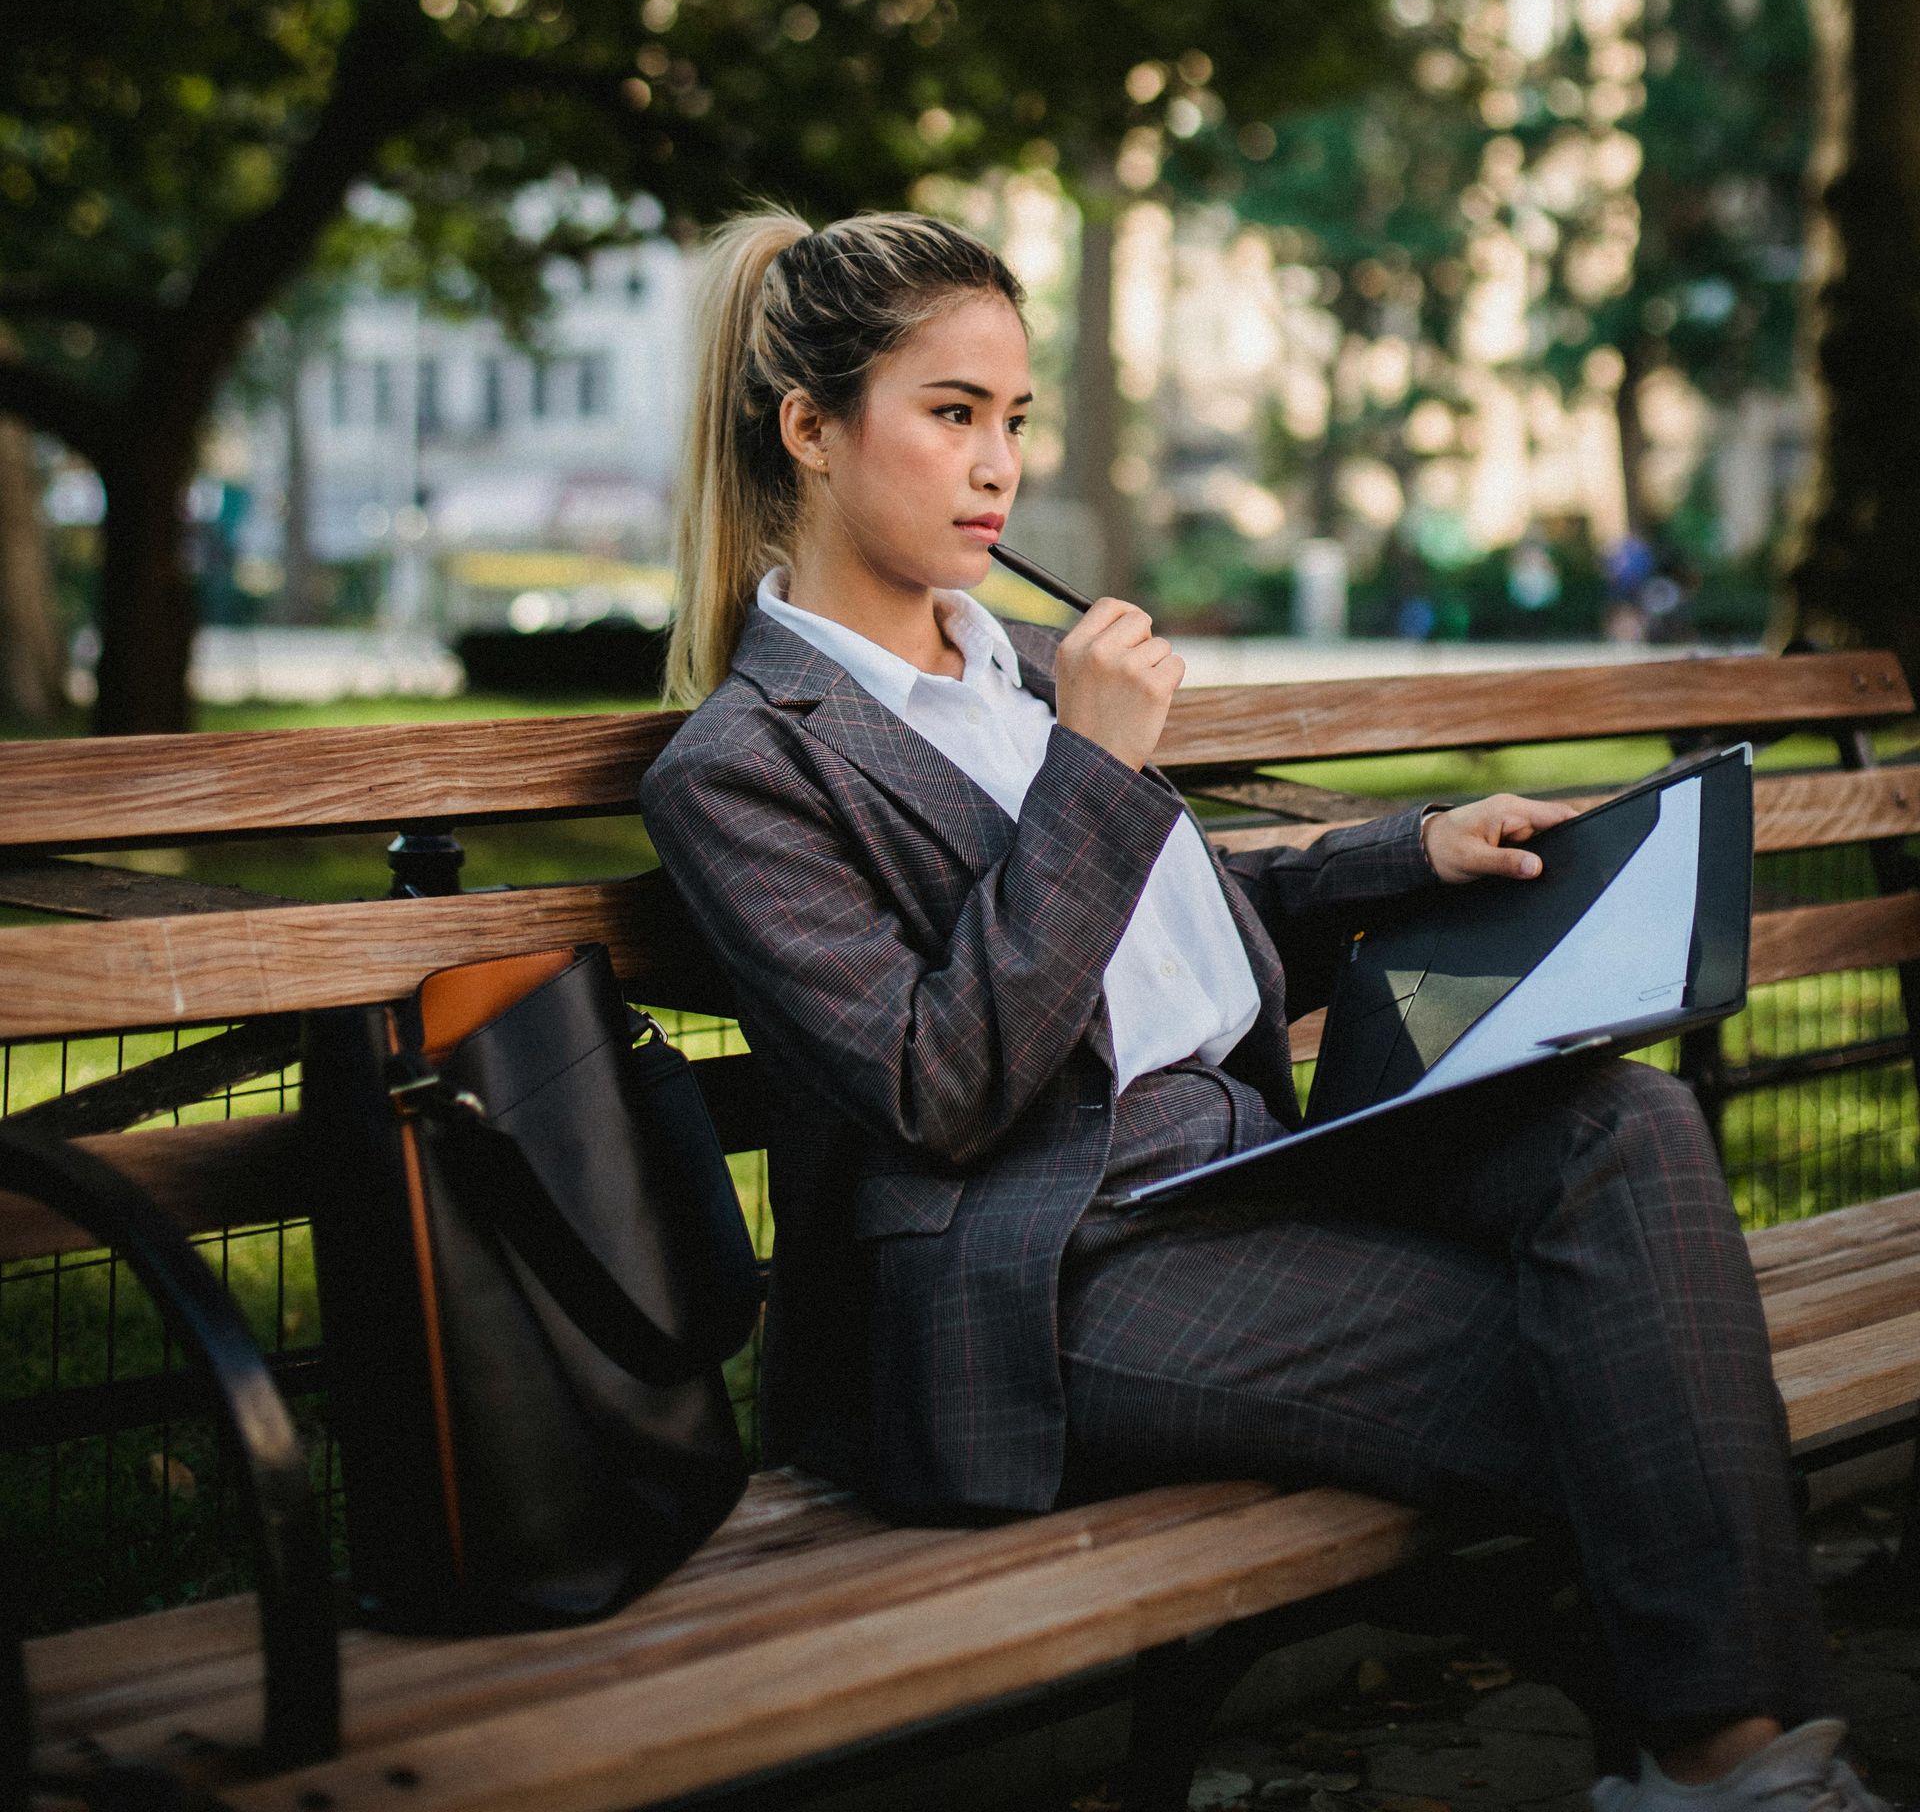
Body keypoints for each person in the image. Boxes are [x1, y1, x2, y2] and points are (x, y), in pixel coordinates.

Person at [641, 209, 1875, 1812]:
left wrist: (1409, 849)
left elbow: (1168, 936)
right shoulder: (748, 766)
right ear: (809, 429)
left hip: (1238, 1172)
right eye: (951, 415)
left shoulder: (1017, 671)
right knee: (1624, 1367)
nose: (998, 465)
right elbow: (935, 1088)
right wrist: (1092, 769)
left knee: (1626, 1123)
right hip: (1044, 1281)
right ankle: (1735, 1769)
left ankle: (1719, 1767)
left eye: (1013, 419)